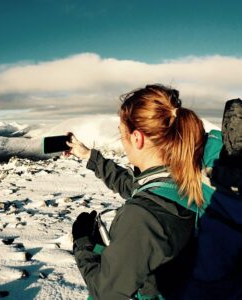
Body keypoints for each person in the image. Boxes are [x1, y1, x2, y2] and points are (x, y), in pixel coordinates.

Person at [66, 84, 205, 300]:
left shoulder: (139, 218)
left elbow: (107, 293)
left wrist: (82, 245)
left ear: (137, 138)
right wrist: (89, 157)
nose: (123, 142)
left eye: (122, 134)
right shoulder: (186, 177)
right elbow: (133, 186)